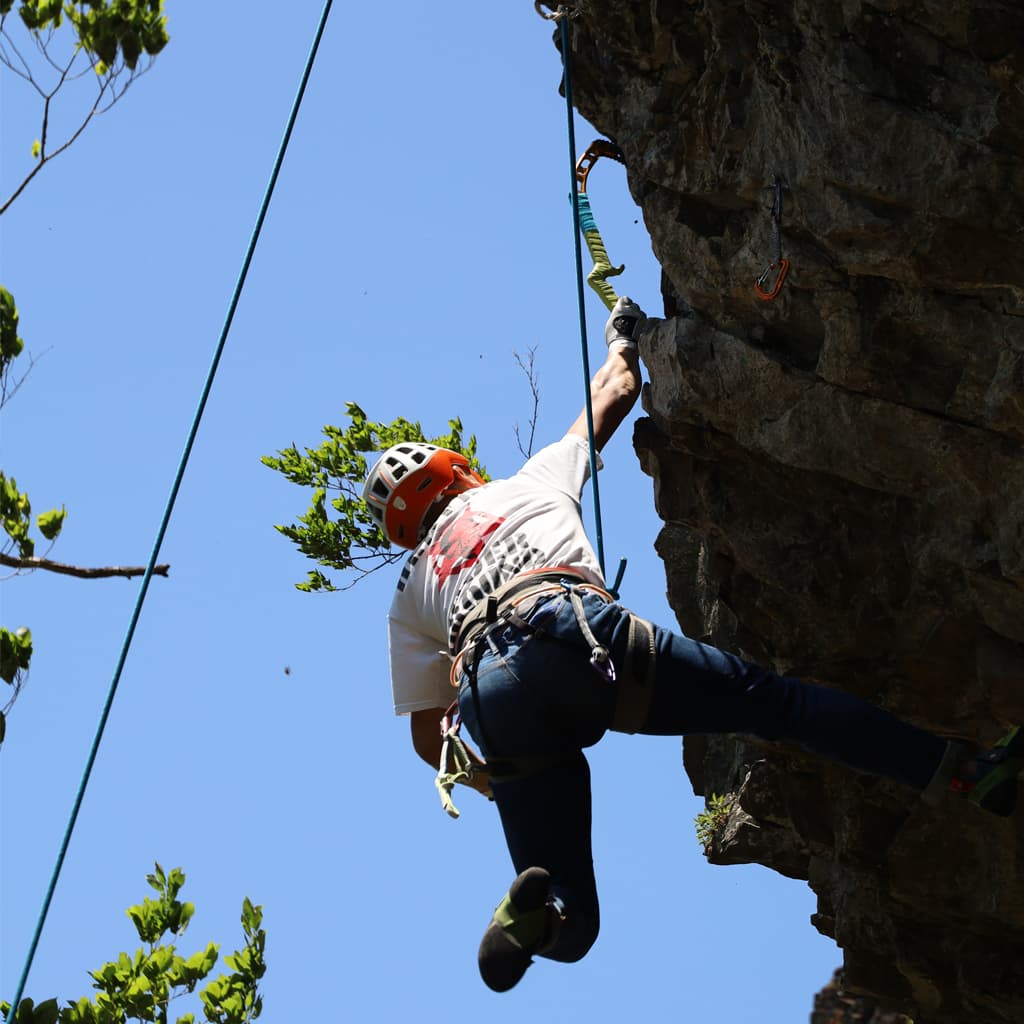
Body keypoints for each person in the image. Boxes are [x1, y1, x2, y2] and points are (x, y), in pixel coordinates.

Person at [363, 297, 1023, 993]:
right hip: (570, 631)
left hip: (492, 700)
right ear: (458, 470)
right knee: (777, 705)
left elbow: (425, 738)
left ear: (407, 533)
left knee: (577, 923)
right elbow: (614, 391)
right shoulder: (525, 484)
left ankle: (535, 919)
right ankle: (965, 772)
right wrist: (624, 336)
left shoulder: (409, 594)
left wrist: (499, 779)